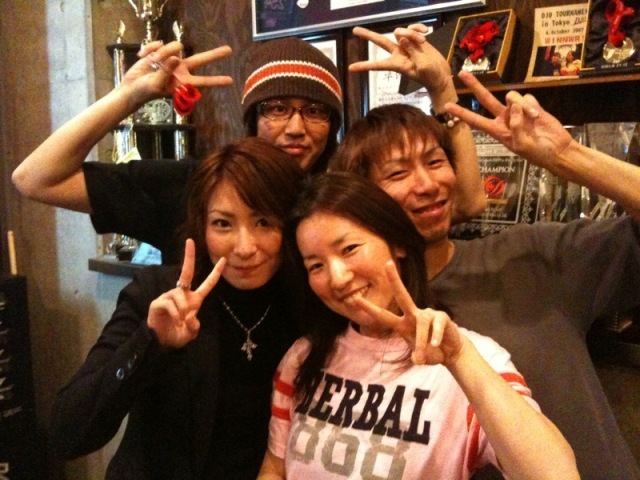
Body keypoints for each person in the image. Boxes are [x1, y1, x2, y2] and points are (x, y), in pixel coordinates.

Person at [330, 60, 640, 479]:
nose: (427, 184)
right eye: (398, 173)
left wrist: (568, 156)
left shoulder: (530, 257)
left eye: (435, 162)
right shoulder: (358, 318)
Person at [12, 29, 486, 264]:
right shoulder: (197, 185)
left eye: (315, 111)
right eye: (277, 109)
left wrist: (443, 89)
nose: (296, 127)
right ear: (253, 120)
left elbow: (466, 203)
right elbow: (35, 179)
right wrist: (128, 96)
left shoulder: (343, 194)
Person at [257, 172, 579, 480]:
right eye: (316, 265)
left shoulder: (475, 358)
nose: (338, 278)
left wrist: (459, 358)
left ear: (397, 243)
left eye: (350, 249)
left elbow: (556, 475)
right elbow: (275, 468)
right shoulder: (303, 357)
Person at [49, 137, 305, 479]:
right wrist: (150, 342)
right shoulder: (158, 294)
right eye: (223, 223)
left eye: (264, 222)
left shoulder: (305, 304)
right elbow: (67, 433)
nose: (245, 248)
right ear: (201, 225)